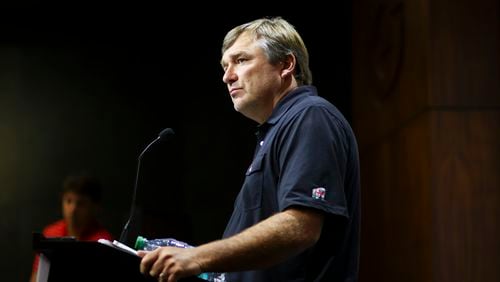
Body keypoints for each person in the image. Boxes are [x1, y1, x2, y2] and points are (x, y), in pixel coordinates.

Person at [139, 16, 360, 282]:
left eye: (241, 60)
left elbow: (301, 226)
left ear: (286, 65)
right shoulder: (275, 130)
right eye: (225, 65)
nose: (227, 76)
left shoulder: (310, 116)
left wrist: (198, 258)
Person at [30, 173, 113, 281]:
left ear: (95, 207)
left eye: (81, 203)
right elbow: (36, 276)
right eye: (69, 201)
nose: (73, 209)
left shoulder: (102, 241)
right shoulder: (50, 233)